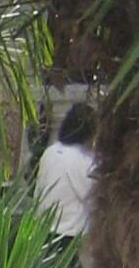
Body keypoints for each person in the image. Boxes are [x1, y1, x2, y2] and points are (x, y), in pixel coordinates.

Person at [35, 102, 97, 238]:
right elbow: (93, 200)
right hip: (70, 234)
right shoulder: (84, 160)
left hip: (43, 231)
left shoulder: (50, 153)